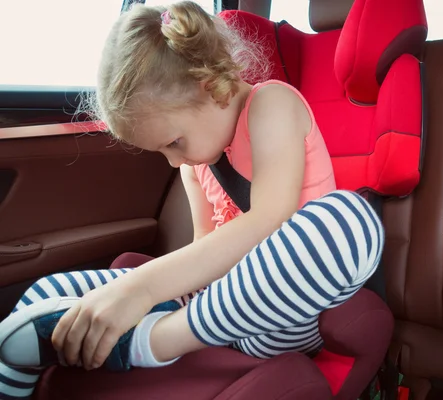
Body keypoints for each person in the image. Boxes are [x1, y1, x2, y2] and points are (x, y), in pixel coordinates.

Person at [0, 2, 383, 399]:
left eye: (174, 143)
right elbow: (205, 247)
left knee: (350, 220)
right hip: (215, 309)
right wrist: (131, 291)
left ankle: (152, 343)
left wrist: (142, 290)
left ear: (209, 87)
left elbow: (269, 219)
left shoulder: (272, 106)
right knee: (44, 298)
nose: (174, 160)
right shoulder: (197, 163)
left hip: (287, 309)